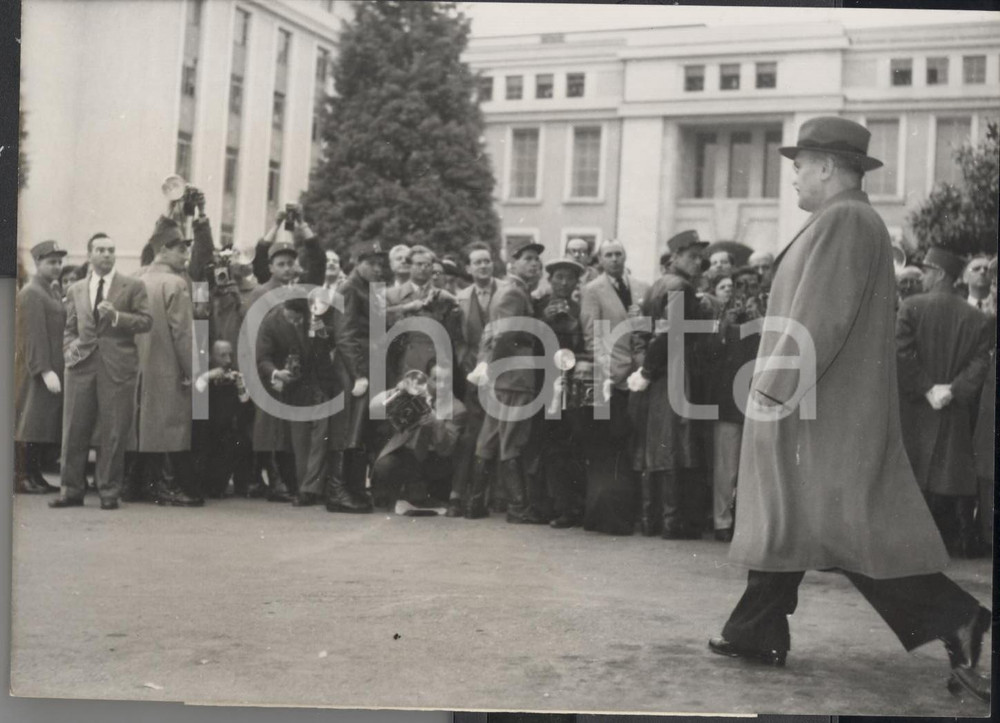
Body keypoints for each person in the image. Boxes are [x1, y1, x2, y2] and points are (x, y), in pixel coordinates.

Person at [708, 116, 990, 704]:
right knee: (797, 519)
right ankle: (756, 629)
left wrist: (772, 390)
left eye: (799, 167)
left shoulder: (843, 222)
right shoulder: (847, 221)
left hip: (818, 408)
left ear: (828, 168)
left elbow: (820, 319)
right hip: (822, 405)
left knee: (843, 531)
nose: (794, 178)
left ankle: (959, 617)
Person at [897, 246, 992, 557]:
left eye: (926, 271)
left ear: (938, 274)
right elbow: (980, 364)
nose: (922, 277)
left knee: (914, 479)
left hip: (915, 412)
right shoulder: (978, 318)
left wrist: (927, 388)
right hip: (955, 412)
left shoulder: (910, 307)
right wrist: (952, 390)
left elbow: (901, 355)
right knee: (950, 480)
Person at [52, 233, 152, 509]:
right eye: (100, 250)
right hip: (81, 365)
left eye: (110, 250)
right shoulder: (77, 289)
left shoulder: (132, 286)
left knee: (114, 429)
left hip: (117, 366)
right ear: (89, 255)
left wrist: (117, 317)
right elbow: (70, 326)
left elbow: (146, 321)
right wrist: (69, 352)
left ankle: (109, 492)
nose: (107, 254)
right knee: (74, 428)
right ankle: (71, 490)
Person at [629, 230, 712, 539]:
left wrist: (644, 367)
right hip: (673, 370)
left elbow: (643, 330)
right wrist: (649, 370)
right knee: (672, 445)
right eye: (691, 256)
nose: (697, 261)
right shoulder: (678, 286)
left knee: (655, 445)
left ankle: (652, 518)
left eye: (698, 256)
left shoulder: (659, 285)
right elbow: (670, 333)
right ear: (675, 256)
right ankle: (669, 521)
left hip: (658, 370)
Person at [467, 238, 546, 524]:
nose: (535, 263)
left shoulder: (512, 291)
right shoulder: (513, 293)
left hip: (504, 377)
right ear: (512, 263)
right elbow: (506, 336)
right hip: (514, 377)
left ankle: (475, 502)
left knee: (489, 438)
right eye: (527, 258)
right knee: (512, 439)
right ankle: (517, 507)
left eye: (537, 259)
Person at [577, 239, 649, 535]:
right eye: (609, 255)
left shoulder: (642, 288)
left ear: (625, 256)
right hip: (610, 377)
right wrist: (606, 370)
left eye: (619, 254)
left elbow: (647, 329)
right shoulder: (593, 291)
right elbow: (592, 334)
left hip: (639, 375)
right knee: (608, 447)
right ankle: (604, 516)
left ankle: (628, 513)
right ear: (601, 260)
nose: (615, 259)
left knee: (630, 446)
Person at [133, 219, 203, 507]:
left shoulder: (135, 278)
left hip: (137, 367)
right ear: (163, 249)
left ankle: (136, 484)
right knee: (171, 428)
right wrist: (192, 371)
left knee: (142, 426)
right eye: (180, 249)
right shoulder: (175, 283)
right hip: (168, 367)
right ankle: (163, 485)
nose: (185, 255)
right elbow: (183, 333)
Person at [335, 239, 392, 513]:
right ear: (357, 263)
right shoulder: (349, 288)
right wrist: (358, 374)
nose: (377, 269)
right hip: (355, 369)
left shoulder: (368, 289)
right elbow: (345, 335)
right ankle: (340, 492)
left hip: (369, 365)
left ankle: (355, 489)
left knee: (363, 431)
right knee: (351, 432)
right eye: (371, 263)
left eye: (380, 264)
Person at [447, 242, 502, 518]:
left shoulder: (506, 291)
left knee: (498, 435)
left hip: (501, 375)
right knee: (470, 436)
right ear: (468, 268)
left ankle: (492, 498)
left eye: (487, 261)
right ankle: (458, 495)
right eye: (477, 262)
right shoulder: (460, 297)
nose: (483, 266)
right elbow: (457, 340)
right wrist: (467, 367)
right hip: (473, 378)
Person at [370, 365, 467, 514]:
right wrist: (396, 392)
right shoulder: (414, 393)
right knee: (384, 466)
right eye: (436, 379)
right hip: (411, 456)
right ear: (427, 380)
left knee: (420, 494)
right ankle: (401, 493)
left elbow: (446, 450)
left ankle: (416, 493)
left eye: (447, 381)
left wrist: (436, 422)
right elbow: (374, 408)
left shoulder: (458, 408)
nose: (441, 385)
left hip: (436, 461)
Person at [534, 257, 587, 528]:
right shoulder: (539, 306)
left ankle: (569, 507)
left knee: (570, 445)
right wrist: (545, 320)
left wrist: (573, 325)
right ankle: (547, 505)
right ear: (550, 280)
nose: (564, 283)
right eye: (559, 277)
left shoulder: (580, 310)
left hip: (572, 385)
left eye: (570, 278)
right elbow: (530, 343)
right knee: (547, 444)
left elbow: (586, 345)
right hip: (544, 384)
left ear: (576, 282)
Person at [246, 241, 300, 502]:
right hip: (266, 361)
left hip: (291, 362)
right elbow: (252, 330)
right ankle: (272, 478)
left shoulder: (298, 292)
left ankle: (269, 477)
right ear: (270, 267)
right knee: (268, 424)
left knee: (286, 423)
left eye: (291, 263)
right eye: (281, 264)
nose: (287, 269)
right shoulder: (261, 292)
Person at [15, 241, 68, 494]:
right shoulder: (32, 293)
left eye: (59, 262)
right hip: (36, 369)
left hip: (50, 366)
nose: (57, 267)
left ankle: (34, 474)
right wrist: (44, 370)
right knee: (30, 422)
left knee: (40, 424)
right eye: (51, 262)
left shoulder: (50, 290)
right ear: (38, 263)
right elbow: (32, 335)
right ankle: (23, 475)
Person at [385, 245, 463, 389]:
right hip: (402, 361)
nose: (423, 268)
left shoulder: (443, 296)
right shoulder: (392, 295)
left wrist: (455, 304)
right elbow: (381, 322)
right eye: (418, 264)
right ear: (409, 266)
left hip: (434, 363)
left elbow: (453, 334)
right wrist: (406, 308)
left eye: (427, 265)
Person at [192, 340, 252, 498]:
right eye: (223, 355)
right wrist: (209, 376)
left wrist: (241, 386)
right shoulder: (203, 373)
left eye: (230, 355)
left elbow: (246, 405)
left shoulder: (234, 373)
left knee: (239, 439)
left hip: (226, 430)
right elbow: (196, 394)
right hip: (205, 429)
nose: (228, 360)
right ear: (212, 357)